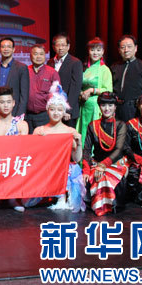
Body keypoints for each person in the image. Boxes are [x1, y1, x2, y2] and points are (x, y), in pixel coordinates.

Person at [33, 82, 85, 212]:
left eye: (59, 110)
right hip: (45, 168)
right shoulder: (39, 130)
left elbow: (76, 158)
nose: (56, 113)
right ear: (47, 110)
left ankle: (62, 196)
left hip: (63, 169)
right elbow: (33, 156)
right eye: (52, 109)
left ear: (64, 112)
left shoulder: (70, 131)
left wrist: (79, 143)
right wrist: (38, 141)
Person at [0, 87, 28, 212]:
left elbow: (25, 150)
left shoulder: (21, 125)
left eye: (8, 102)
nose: (6, 105)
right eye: (2, 102)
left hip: (14, 165)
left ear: (13, 103)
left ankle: (13, 198)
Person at [82, 92, 128, 216]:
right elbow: (86, 150)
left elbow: (118, 150)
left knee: (105, 177)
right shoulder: (93, 125)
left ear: (115, 107)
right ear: (99, 106)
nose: (107, 109)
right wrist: (86, 170)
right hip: (96, 163)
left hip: (115, 163)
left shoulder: (121, 125)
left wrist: (103, 165)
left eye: (110, 105)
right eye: (103, 105)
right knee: (88, 177)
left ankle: (106, 207)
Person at [111, 35, 142, 122]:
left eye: (129, 47)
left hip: (135, 109)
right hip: (116, 108)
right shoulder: (114, 67)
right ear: (119, 50)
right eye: (123, 47)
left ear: (136, 48)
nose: (126, 50)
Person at [77, 37, 113, 147]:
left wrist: (92, 90)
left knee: (93, 133)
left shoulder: (104, 69)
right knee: (82, 132)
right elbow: (78, 85)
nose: (95, 53)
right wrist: (81, 94)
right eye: (92, 50)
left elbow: (108, 90)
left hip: (96, 107)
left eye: (98, 50)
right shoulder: (84, 67)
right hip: (83, 106)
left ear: (103, 52)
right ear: (88, 51)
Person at [47, 33, 83, 128]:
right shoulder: (50, 62)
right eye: (58, 45)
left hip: (68, 112)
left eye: (63, 45)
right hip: (53, 110)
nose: (60, 48)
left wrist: (67, 109)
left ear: (68, 46)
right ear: (53, 47)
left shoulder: (75, 63)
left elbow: (75, 88)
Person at [0, 38, 29, 118]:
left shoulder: (22, 68)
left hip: (15, 112)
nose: (6, 49)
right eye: (3, 47)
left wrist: (19, 116)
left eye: (9, 47)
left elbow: (24, 95)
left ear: (13, 49)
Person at [26, 44, 60, 133]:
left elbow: (57, 94)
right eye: (35, 54)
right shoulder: (25, 71)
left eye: (41, 54)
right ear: (30, 56)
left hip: (44, 115)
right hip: (27, 116)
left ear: (45, 56)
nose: (38, 56)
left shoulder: (52, 73)